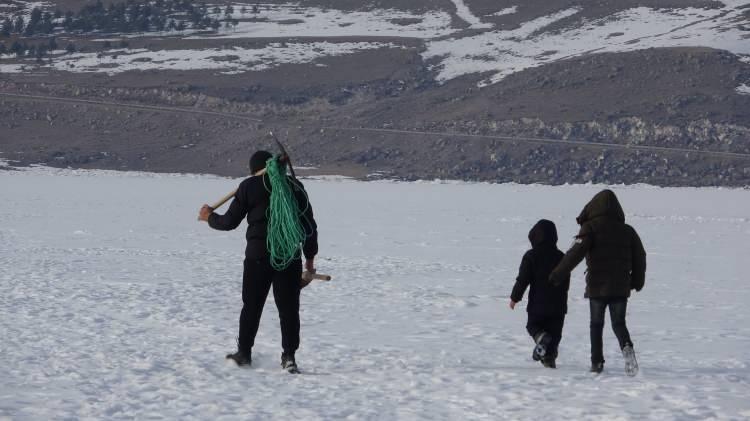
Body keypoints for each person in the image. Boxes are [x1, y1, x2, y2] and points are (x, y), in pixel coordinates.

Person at [198, 150, 318, 373]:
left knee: (251, 306)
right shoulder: (295, 186)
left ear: (255, 169)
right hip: (288, 256)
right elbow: (309, 227)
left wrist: (209, 217)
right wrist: (309, 263)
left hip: (257, 257)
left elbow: (229, 222)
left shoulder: (250, 186)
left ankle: (244, 354)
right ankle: (289, 357)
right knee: (289, 309)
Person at [550, 189, 646, 375]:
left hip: (597, 286)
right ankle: (627, 348)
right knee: (619, 323)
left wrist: (556, 275)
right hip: (620, 286)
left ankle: (597, 362)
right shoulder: (628, 231)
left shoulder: (590, 228)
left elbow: (574, 255)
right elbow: (640, 257)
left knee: (596, 324)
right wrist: (637, 281)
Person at [509, 219, 570, 368]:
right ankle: (549, 363)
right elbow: (566, 281)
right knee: (554, 337)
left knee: (533, 326)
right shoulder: (562, 257)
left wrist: (514, 297)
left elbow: (523, 279)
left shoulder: (531, 256)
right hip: (558, 306)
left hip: (538, 304)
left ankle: (540, 337)